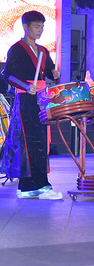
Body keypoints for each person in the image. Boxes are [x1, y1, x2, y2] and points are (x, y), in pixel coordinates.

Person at [1, 10, 62, 199]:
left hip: (41, 99)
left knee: (41, 141)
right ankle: (38, 186)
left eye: (42, 27)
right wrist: (26, 86)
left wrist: (55, 74)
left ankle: (31, 187)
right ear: (25, 27)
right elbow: (8, 75)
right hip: (25, 101)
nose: (40, 30)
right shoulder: (16, 49)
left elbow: (51, 70)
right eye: (37, 27)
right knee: (29, 142)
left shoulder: (43, 51)